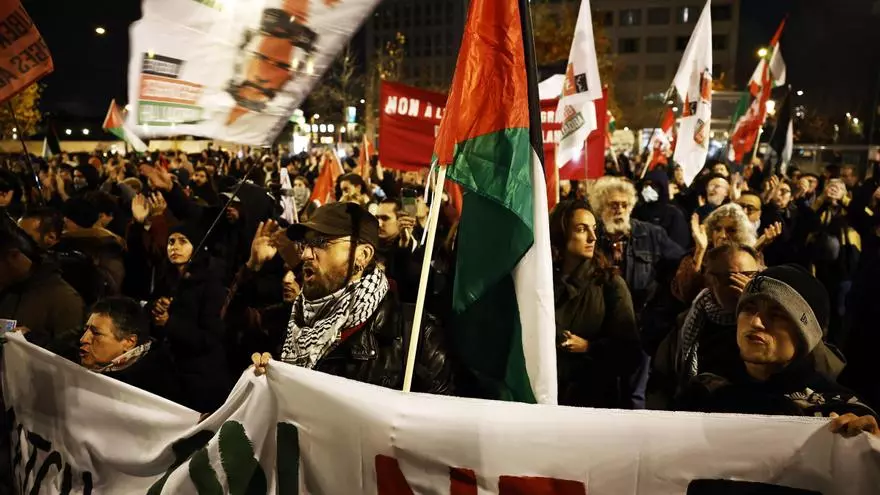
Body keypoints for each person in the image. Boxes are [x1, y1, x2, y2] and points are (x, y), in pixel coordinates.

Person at [251, 202, 453, 394]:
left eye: (321, 242)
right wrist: (251, 268)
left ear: (362, 256)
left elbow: (437, 419)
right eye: (305, 244)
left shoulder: (415, 335)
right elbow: (232, 338)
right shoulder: (293, 318)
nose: (305, 255)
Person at [676, 265, 878, 437]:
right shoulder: (704, 393)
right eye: (748, 308)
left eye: (777, 314)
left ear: (806, 334)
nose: (755, 322)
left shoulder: (837, 409)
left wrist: (868, 444)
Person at [550, 200, 641, 408]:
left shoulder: (609, 284)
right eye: (582, 229)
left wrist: (589, 347)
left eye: (593, 229)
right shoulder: (543, 282)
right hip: (550, 397)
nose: (592, 237)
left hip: (593, 401)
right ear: (561, 233)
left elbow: (630, 352)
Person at [654, 244, 763, 406]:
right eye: (730, 277)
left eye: (749, 276)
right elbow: (663, 381)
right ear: (710, 280)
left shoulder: (768, 322)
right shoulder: (690, 319)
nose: (740, 284)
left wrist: (752, 305)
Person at [150, 222, 230, 413]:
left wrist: (170, 323)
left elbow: (210, 337)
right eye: (171, 241)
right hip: (170, 372)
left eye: (182, 241)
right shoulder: (165, 279)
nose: (174, 247)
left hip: (200, 377)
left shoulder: (210, 284)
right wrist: (155, 310)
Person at [0, 227, 83, 359]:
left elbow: (70, 359)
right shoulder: (7, 288)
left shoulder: (63, 298)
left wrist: (33, 340)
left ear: (13, 256)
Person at [79, 297, 182, 403]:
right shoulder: (69, 357)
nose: (83, 339)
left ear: (129, 342)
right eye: (85, 330)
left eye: (96, 333)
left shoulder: (155, 391)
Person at [672, 204, 756, 303]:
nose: (723, 235)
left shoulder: (750, 257)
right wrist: (700, 251)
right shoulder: (696, 256)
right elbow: (684, 294)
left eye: (731, 230)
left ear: (742, 233)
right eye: (718, 229)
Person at [633, 168, 690, 250]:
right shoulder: (637, 211)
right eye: (646, 185)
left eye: (653, 185)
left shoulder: (673, 213)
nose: (648, 189)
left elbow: (679, 246)